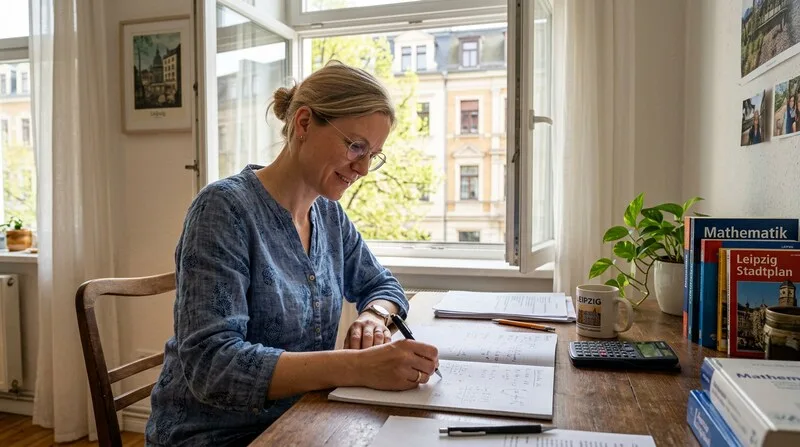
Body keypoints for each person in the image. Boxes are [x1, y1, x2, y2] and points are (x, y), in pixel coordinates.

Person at [145, 61, 440, 446]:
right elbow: (212, 366)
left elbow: (382, 284)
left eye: (373, 154)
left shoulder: (329, 215)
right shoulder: (222, 210)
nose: (364, 168)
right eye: (356, 146)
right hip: (213, 435)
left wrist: (374, 316)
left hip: (305, 418)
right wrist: (358, 366)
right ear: (303, 124)